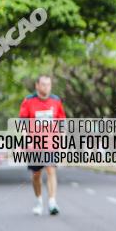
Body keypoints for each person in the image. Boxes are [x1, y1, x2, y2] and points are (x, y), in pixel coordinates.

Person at [19, 75, 67, 215]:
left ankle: (52, 202)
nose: (46, 87)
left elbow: (62, 122)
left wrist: (63, 141)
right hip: (34, 145)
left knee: (51, 169)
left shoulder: (56, 101)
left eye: (49, 84)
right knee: (36, 175)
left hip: (51, 144)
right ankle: (39, 201)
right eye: (44, 84)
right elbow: (23, 123)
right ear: (37, 86)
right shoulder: (28, 101)